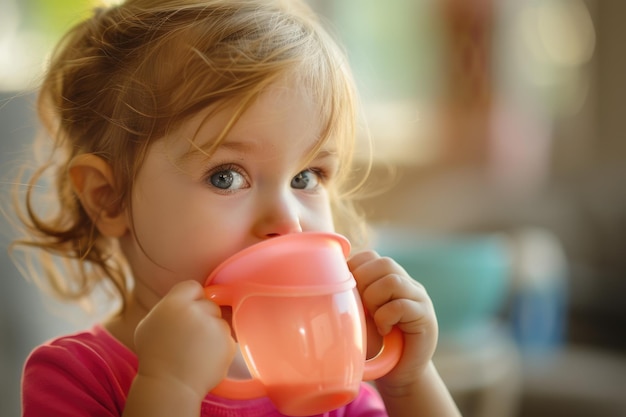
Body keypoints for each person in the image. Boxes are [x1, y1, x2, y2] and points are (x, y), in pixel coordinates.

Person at [12, 0, 461, 416]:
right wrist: (168, 386)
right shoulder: (75, 375)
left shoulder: (325, 372)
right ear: (108, 198)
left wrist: (409, 382)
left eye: (305, 177)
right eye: (226, 176)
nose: (287, 221)